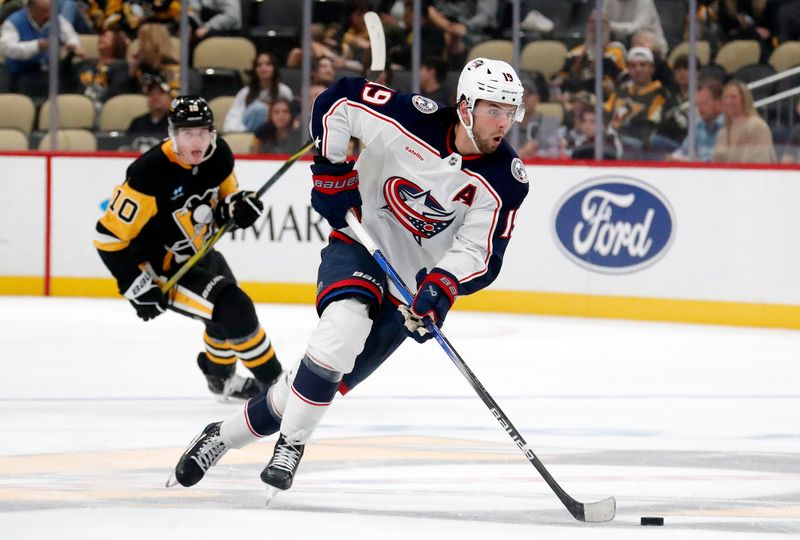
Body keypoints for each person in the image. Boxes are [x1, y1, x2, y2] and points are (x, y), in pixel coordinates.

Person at [169, 58, 530, 492]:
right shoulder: (410, 116)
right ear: (466, 106)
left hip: (408, 291)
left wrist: (441, 287)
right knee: (341, 331)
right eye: (495, 109)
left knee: (313, 382)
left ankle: (221, 436)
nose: (504, 122)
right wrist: (331, 172)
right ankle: (293, 444)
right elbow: (338, 99)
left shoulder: (507, 181)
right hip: (360, 243)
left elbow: (480, 252)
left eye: (511, 112)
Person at [94, 96, 283, 400]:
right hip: (164, 271)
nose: (196, 142)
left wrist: (239, 209)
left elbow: (226, 205)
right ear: (173, 134)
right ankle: (280, 390)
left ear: (212, 133)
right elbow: (107, 238)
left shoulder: (219, 155)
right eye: (187, 133)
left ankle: (220, 379)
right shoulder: (148, 174)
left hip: (202, 253)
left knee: (221, 318)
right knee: (235, 308)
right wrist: (135, 286)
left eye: (202, 133)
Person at [0, 0, 84, 93]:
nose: (49, 15)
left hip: (49, 73)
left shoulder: (56, 19)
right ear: (30, 8)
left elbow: (71, 35)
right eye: (44, 11)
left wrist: (73, 45)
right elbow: (7, 48)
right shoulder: (13, 22)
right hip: (21, 74)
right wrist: (36, 46)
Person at [224, 52, 294, 133]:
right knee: (258, 108)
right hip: (248, 133)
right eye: (259, 65)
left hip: (277, 134)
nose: (263, 68)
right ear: (255, 69)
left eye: (268, 64)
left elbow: (290, 117)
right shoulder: (246, 92)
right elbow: (234, 116)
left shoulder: (284, 91)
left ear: (274, 68)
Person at [712, 79, 776, 163]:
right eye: (725, 97)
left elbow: (759, 163)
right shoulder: (723, 131)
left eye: (733, 97)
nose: (728, 101)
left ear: (745, 99)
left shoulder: (756, 126)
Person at [669, 78, 724, 162]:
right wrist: (675, 157)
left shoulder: (728, 126)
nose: (700, 109)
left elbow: (716, 160)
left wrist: (688, 160)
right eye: (698, 105)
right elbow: (684, 149)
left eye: (704, 103)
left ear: (719, 102)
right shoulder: (697, 125)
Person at [126, 74, 173, 151]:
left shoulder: (175, 124)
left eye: (160, 93)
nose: (155, 97)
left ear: (170, 98)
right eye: (151, 94)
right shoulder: (137, 123)